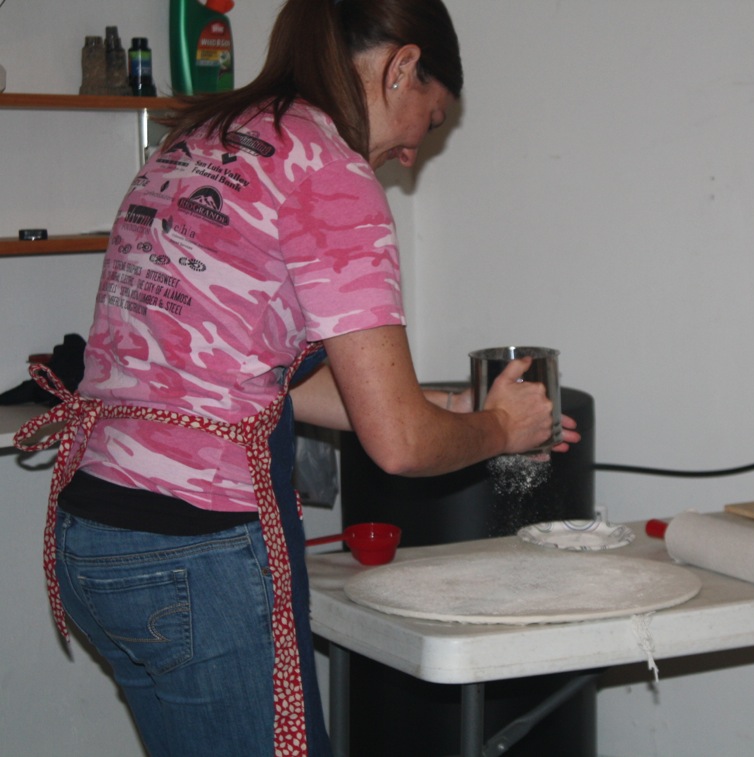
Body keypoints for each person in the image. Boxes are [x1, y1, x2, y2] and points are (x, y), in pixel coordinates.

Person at [15, 0, 579, 755]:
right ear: (401, 67)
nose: (415, 150)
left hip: (94, 537)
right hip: (196, 555)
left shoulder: (200, 142)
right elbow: (401, 446)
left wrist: (450, 403)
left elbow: (245, 377)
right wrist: (500, 429)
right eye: (431, 119)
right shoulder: (330, 173)